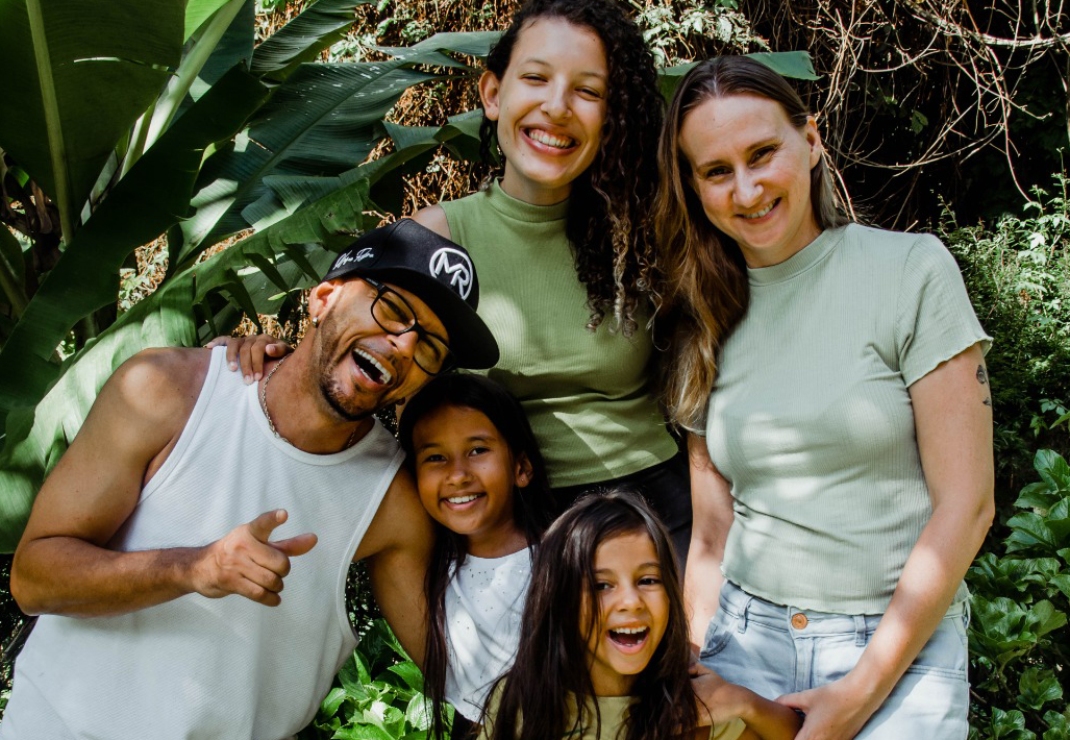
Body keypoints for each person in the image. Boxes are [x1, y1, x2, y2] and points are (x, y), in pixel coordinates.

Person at [1, 219, 499, 739]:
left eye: (430, 350)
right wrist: (193, 568)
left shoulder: (393, 500)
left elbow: (459, 671)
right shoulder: (165, 390)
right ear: (323, 298)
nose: (402, 344)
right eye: (393, 309)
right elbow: (33, 580)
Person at [654, 56, 995, 739]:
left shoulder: (910, 271)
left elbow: (969, 504)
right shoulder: (702, 317)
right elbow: (713, 529)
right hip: (744, 642)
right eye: (717, 171)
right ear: (693, 187)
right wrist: (693, 660)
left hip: (898, 648)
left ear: (810, 143)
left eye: (761, 153)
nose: (747, 189)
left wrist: (860, 692)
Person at [409, 0, 695, 564]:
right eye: (536, 78)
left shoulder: (646, 234)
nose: (557, 107)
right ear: (493, 94)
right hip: (508, 525)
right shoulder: (435, 238)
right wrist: (242, 353)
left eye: (588, 92)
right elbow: (343, 356)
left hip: (655, 516)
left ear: (611, 116)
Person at [478, 489, 800, 740]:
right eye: (602, 585)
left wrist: (744, 703)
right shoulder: (523, 701)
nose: (631, 602)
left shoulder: (688, 703)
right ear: (559, 600)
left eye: (648, 580)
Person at [395, 373, 555, 739]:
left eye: (477, 450)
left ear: (521, 467)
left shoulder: (561, 561)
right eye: (435, 457)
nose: (457, 475)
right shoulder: (432, 573)